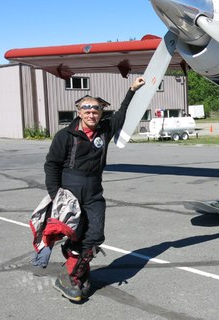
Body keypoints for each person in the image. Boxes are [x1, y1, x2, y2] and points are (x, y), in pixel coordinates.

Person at [45, 76, 145, 301]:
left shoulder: (104, 131)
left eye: (96, 111)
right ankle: (71, 276)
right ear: (79, 112)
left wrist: (132, 90)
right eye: (87, 111)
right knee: (76, 235)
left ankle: (76, 269)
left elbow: (121, 113)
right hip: (69, 191)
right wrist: (56, 195)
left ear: (100, 113)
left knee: (95, 235)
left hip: (94, 190)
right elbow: (51, 165)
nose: (92, 115)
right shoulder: (65, 136)